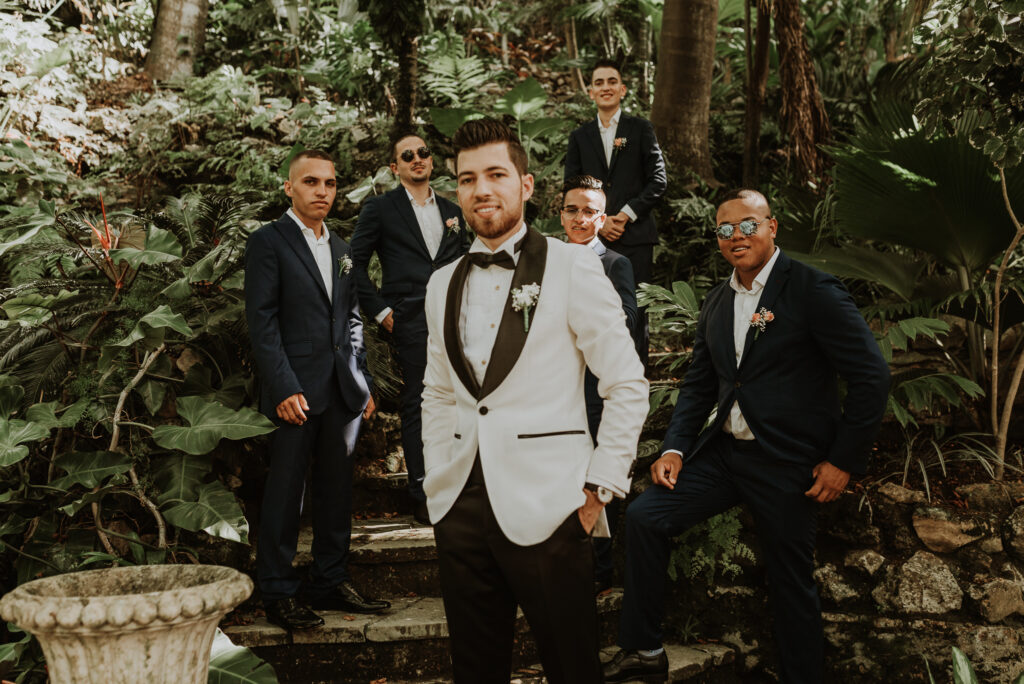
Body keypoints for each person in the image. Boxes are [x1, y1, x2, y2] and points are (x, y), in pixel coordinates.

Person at [604, 188, 891, 684]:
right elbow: (699, 383)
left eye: (748, 225)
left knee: (789, 581)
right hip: (723, 456)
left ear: (771, 227)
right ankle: (644, 651)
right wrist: (674, 447)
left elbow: (871, 376)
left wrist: (843, 460)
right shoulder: (718, 300)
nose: (736, 237)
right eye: (725, 230)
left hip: (788, 462)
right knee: (647, 516)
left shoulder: (811, 290)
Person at [421, 119, 649, 683]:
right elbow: (436, 390)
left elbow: (625, 382)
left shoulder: (575, 267)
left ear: (526, 185)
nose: (481, 190)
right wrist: (438, 482)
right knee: (475, 669)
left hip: (554, 506)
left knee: (572, 668)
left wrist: (601, 488)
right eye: (467, 178)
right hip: (460, 506)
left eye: (496, 174)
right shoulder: (441, 281)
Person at [245, 149, 390, 631]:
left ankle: (329, 578)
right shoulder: (269, 242)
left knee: (337, 492)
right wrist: (283, 386)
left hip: (343, 392)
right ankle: (278, 590)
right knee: (286, 493)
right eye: (311, 182)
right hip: (296, 395)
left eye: (329, 183)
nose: (322, 191)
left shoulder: (343, 250)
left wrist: (363, 381)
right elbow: (262, 323)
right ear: (289, 187)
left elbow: (350, 317)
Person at [351, 132, 469, 524]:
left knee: (465, 398)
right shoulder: (380, 210)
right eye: (408, 155)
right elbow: (353, 265)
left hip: (457, 317)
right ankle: (423, 492)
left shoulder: (454, 209)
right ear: (394, 167)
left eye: (423, 153)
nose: (417, 159)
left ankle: (463, 486)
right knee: (419, 402)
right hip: (410, 319)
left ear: (431, 161)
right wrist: (382, 311)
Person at [560, 174, 641, 595]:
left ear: (602, 217)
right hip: (556, 392)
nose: (579, 218)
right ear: (561, 215)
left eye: (589, 211)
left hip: (594, 392)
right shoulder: (546, 263)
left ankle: (598, 571)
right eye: (572, 209)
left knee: (595, 480)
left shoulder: (614, 264)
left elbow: (628, 321)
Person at [565, 58, 667, 367]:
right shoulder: (580, 137)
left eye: (612, 81)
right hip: (593, 240)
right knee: (592, 307)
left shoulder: (640, 129)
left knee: (635, 312)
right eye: (599, 82)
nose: (606, 87)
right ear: (591, 91)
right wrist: (599, 222)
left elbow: (658, 180)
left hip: (635, 237)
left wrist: (623, 215)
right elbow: (571, 186)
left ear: (622, 89)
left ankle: (635, 382)